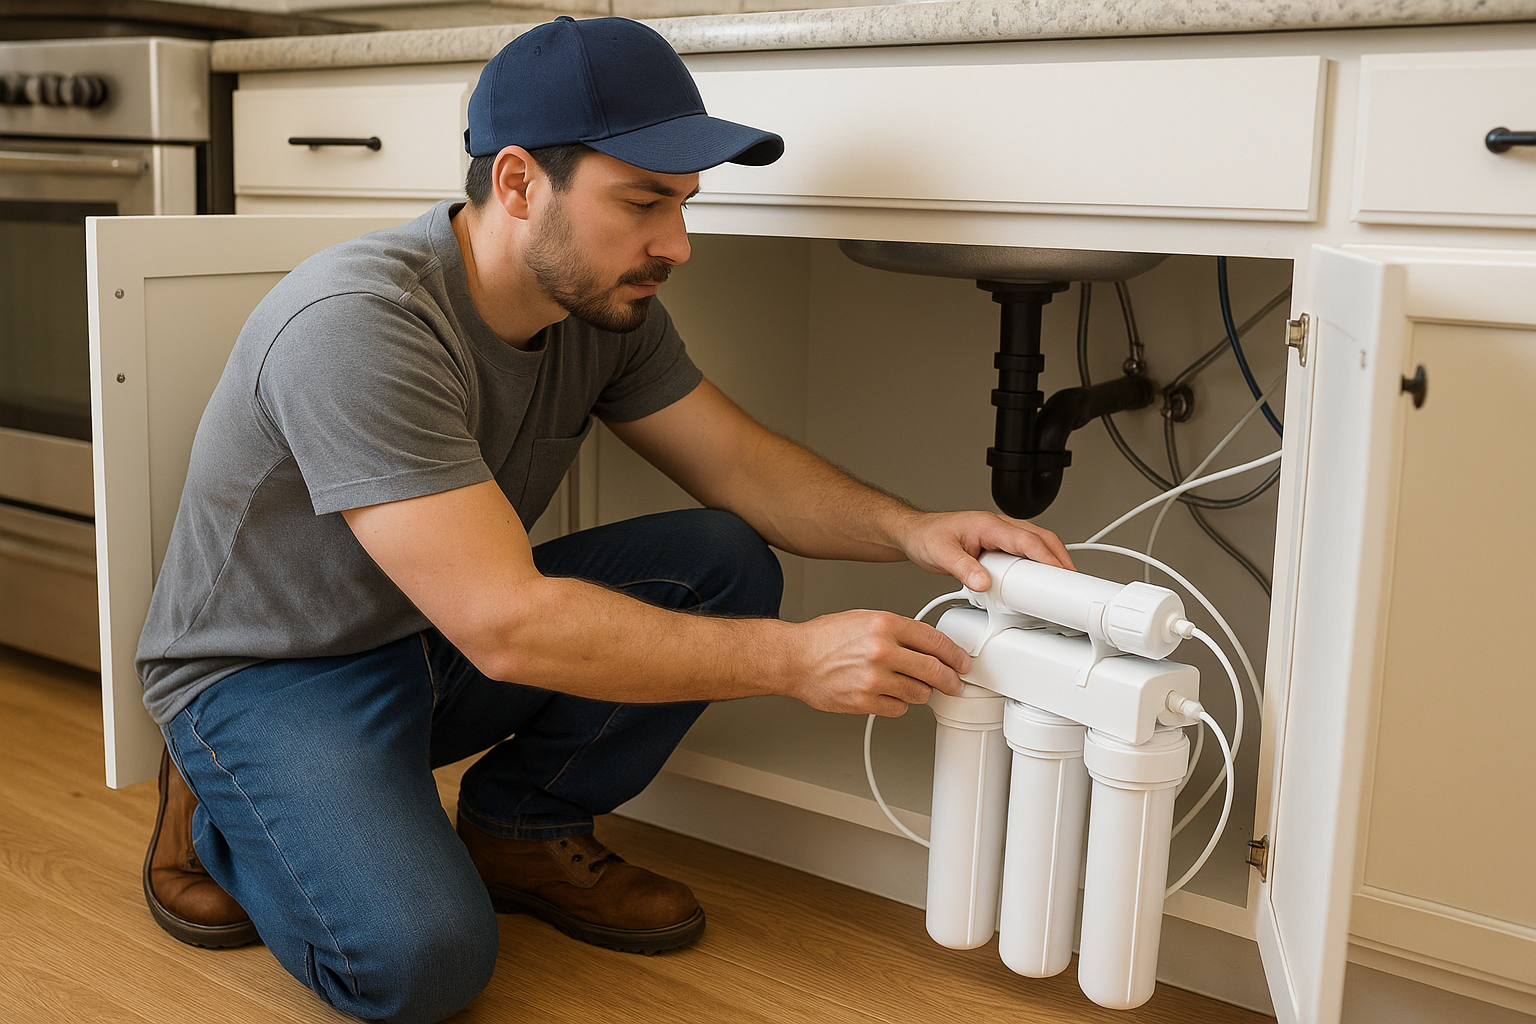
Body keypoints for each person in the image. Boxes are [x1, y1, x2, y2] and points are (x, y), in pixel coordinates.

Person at [136, 15, 1072, 1024]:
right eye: (641, 202)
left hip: (424, 636)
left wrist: (915, 529)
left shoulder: (599, 311)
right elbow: (508, 626)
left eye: (683, 204)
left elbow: (742, 467)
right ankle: (217, 785)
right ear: (516, 185)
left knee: (720, 557)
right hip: (275, 669)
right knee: (421, 966)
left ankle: (521, 826)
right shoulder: (359, 325)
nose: (675, 244)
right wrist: (796, 661)